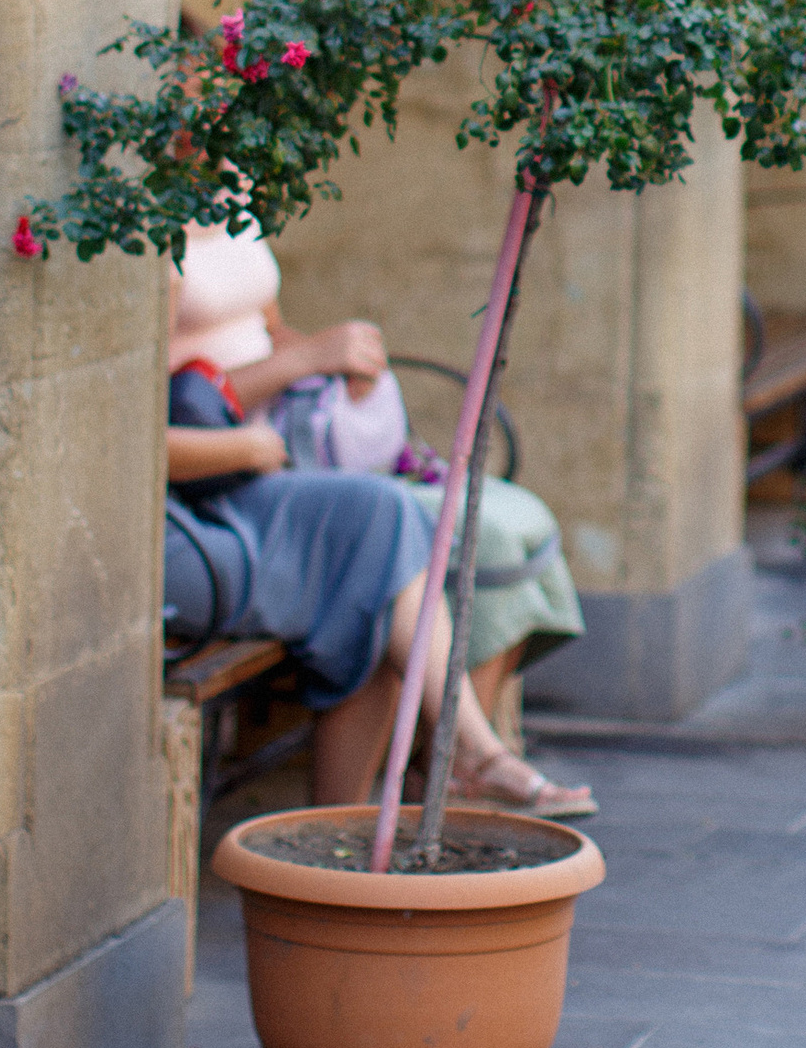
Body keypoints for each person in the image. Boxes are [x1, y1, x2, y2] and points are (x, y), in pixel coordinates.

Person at [166, 223, 594, 819]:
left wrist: (340, 369)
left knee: (443, 537)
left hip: (284, 436)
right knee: (384, 557)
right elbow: (157, 405)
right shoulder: (147, 220)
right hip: (218, 468)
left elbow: (270, 331)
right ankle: (455, 759)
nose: (218, 124)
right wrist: (287, 391)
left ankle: (437, 766)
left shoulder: (232, 182)